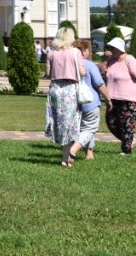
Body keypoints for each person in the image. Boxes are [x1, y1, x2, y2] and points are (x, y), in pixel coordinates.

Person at [43, 26, 85, 167]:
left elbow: (48, 74)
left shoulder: (51, 53)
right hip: (70, 89)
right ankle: (66, 157)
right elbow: (82, 72)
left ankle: (65, 156)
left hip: (55, 89)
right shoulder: (75, 52)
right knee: (71, 122)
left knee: (59, 122)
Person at [103, 36, 136, 154]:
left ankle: (126, 150)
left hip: (128, 98)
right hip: (112, 98)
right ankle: (130, 141)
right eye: (110, 47)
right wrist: (104, 58)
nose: (111, 49)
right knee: (111, 122)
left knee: (126, 124)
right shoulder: (111, 60)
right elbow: (103, 72)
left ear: (119, 48)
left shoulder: (129, 60)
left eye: (113, 47)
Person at [69, 39, 105, 161]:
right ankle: (73, 150)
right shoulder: (89, 65)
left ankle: (89, 153)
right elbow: (99, 84)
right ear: (83, 51)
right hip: (90, 102)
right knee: (89, 129)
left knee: (81, 128)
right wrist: (109, 100)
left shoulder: (70, 64)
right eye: (88, 49)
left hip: (73, 103)